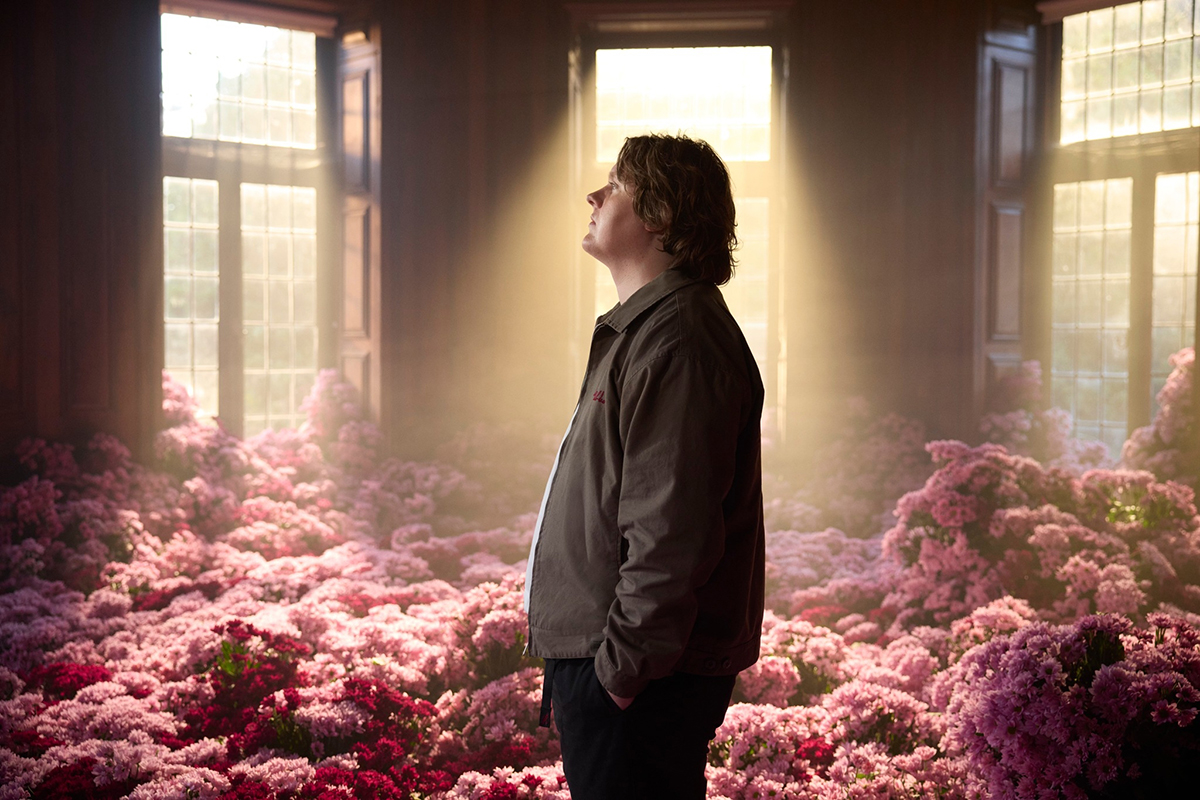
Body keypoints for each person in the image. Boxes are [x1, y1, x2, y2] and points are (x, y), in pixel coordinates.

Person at [523, 133, 766, 799]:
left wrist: (620, 673)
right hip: (629, 665)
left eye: (617, 186)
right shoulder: (654, 329)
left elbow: (672, 527)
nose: (596, 197)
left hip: (641, 675)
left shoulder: (679, 338)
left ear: (659, 212)